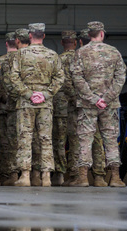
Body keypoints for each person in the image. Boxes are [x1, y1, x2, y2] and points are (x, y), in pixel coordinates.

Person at [8, 23, 64, 187]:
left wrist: (28, 94)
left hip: (26, 103)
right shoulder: (53, 55)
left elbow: (14, 77)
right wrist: (46, 94)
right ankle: (46, 176)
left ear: (30, 36)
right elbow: (60, 78)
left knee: (25, 138)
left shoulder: (20, 54)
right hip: (45, 104)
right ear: (43, 36)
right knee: (45, 139)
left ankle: (25, 176)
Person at [71, 21, 126, 187]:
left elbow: (77, 78)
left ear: (89, 35)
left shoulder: (80, 53)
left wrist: (93, 98)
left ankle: (82, 177)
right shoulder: (114, 52)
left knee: (85, 140)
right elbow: (120, 78)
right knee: (110, 139)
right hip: (109, 105)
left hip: (88, 105)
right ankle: (115, 177)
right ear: (101, 33)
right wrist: (106, 98)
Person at [66, 28, 107, 187]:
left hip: (80, 106)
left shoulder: (77, 57)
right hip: (100, 105)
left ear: (80, 42)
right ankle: (99, 176)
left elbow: (69, 83)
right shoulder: (106, 55)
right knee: (97, 140)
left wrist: (78, 98)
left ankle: (78, 176)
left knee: (79, 141)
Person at [50, 30, 77, 186]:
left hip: (60, 106)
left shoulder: (57, 59)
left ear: (62, 43)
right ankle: (74, 175)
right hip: (76, 107)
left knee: (59, 142)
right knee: (76, 141)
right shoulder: (81, 58)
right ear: (76, 42)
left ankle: (59, 174)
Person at [0, 32, 19, 186]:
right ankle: (24, 173)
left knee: (5, 142)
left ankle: (7, 173)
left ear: (6, 44)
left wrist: (1, 97)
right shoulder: (23, 59)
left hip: (5, 108)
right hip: (23, 106)